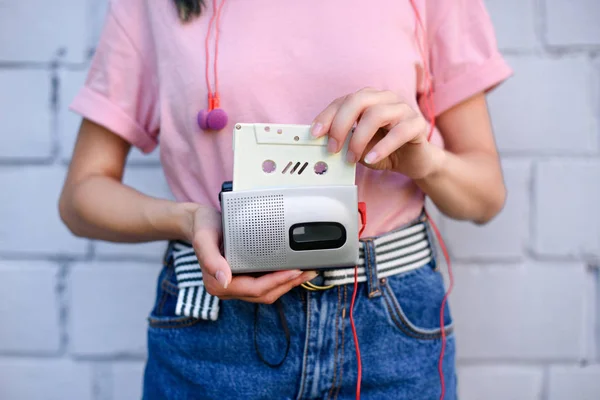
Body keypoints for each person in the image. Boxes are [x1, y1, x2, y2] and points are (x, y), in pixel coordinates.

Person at [59, 0, 512, 398]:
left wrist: (425, 162)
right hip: (215, 331)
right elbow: (81, 197)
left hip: (391, 325)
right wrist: (190, 220)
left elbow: (485, 196)